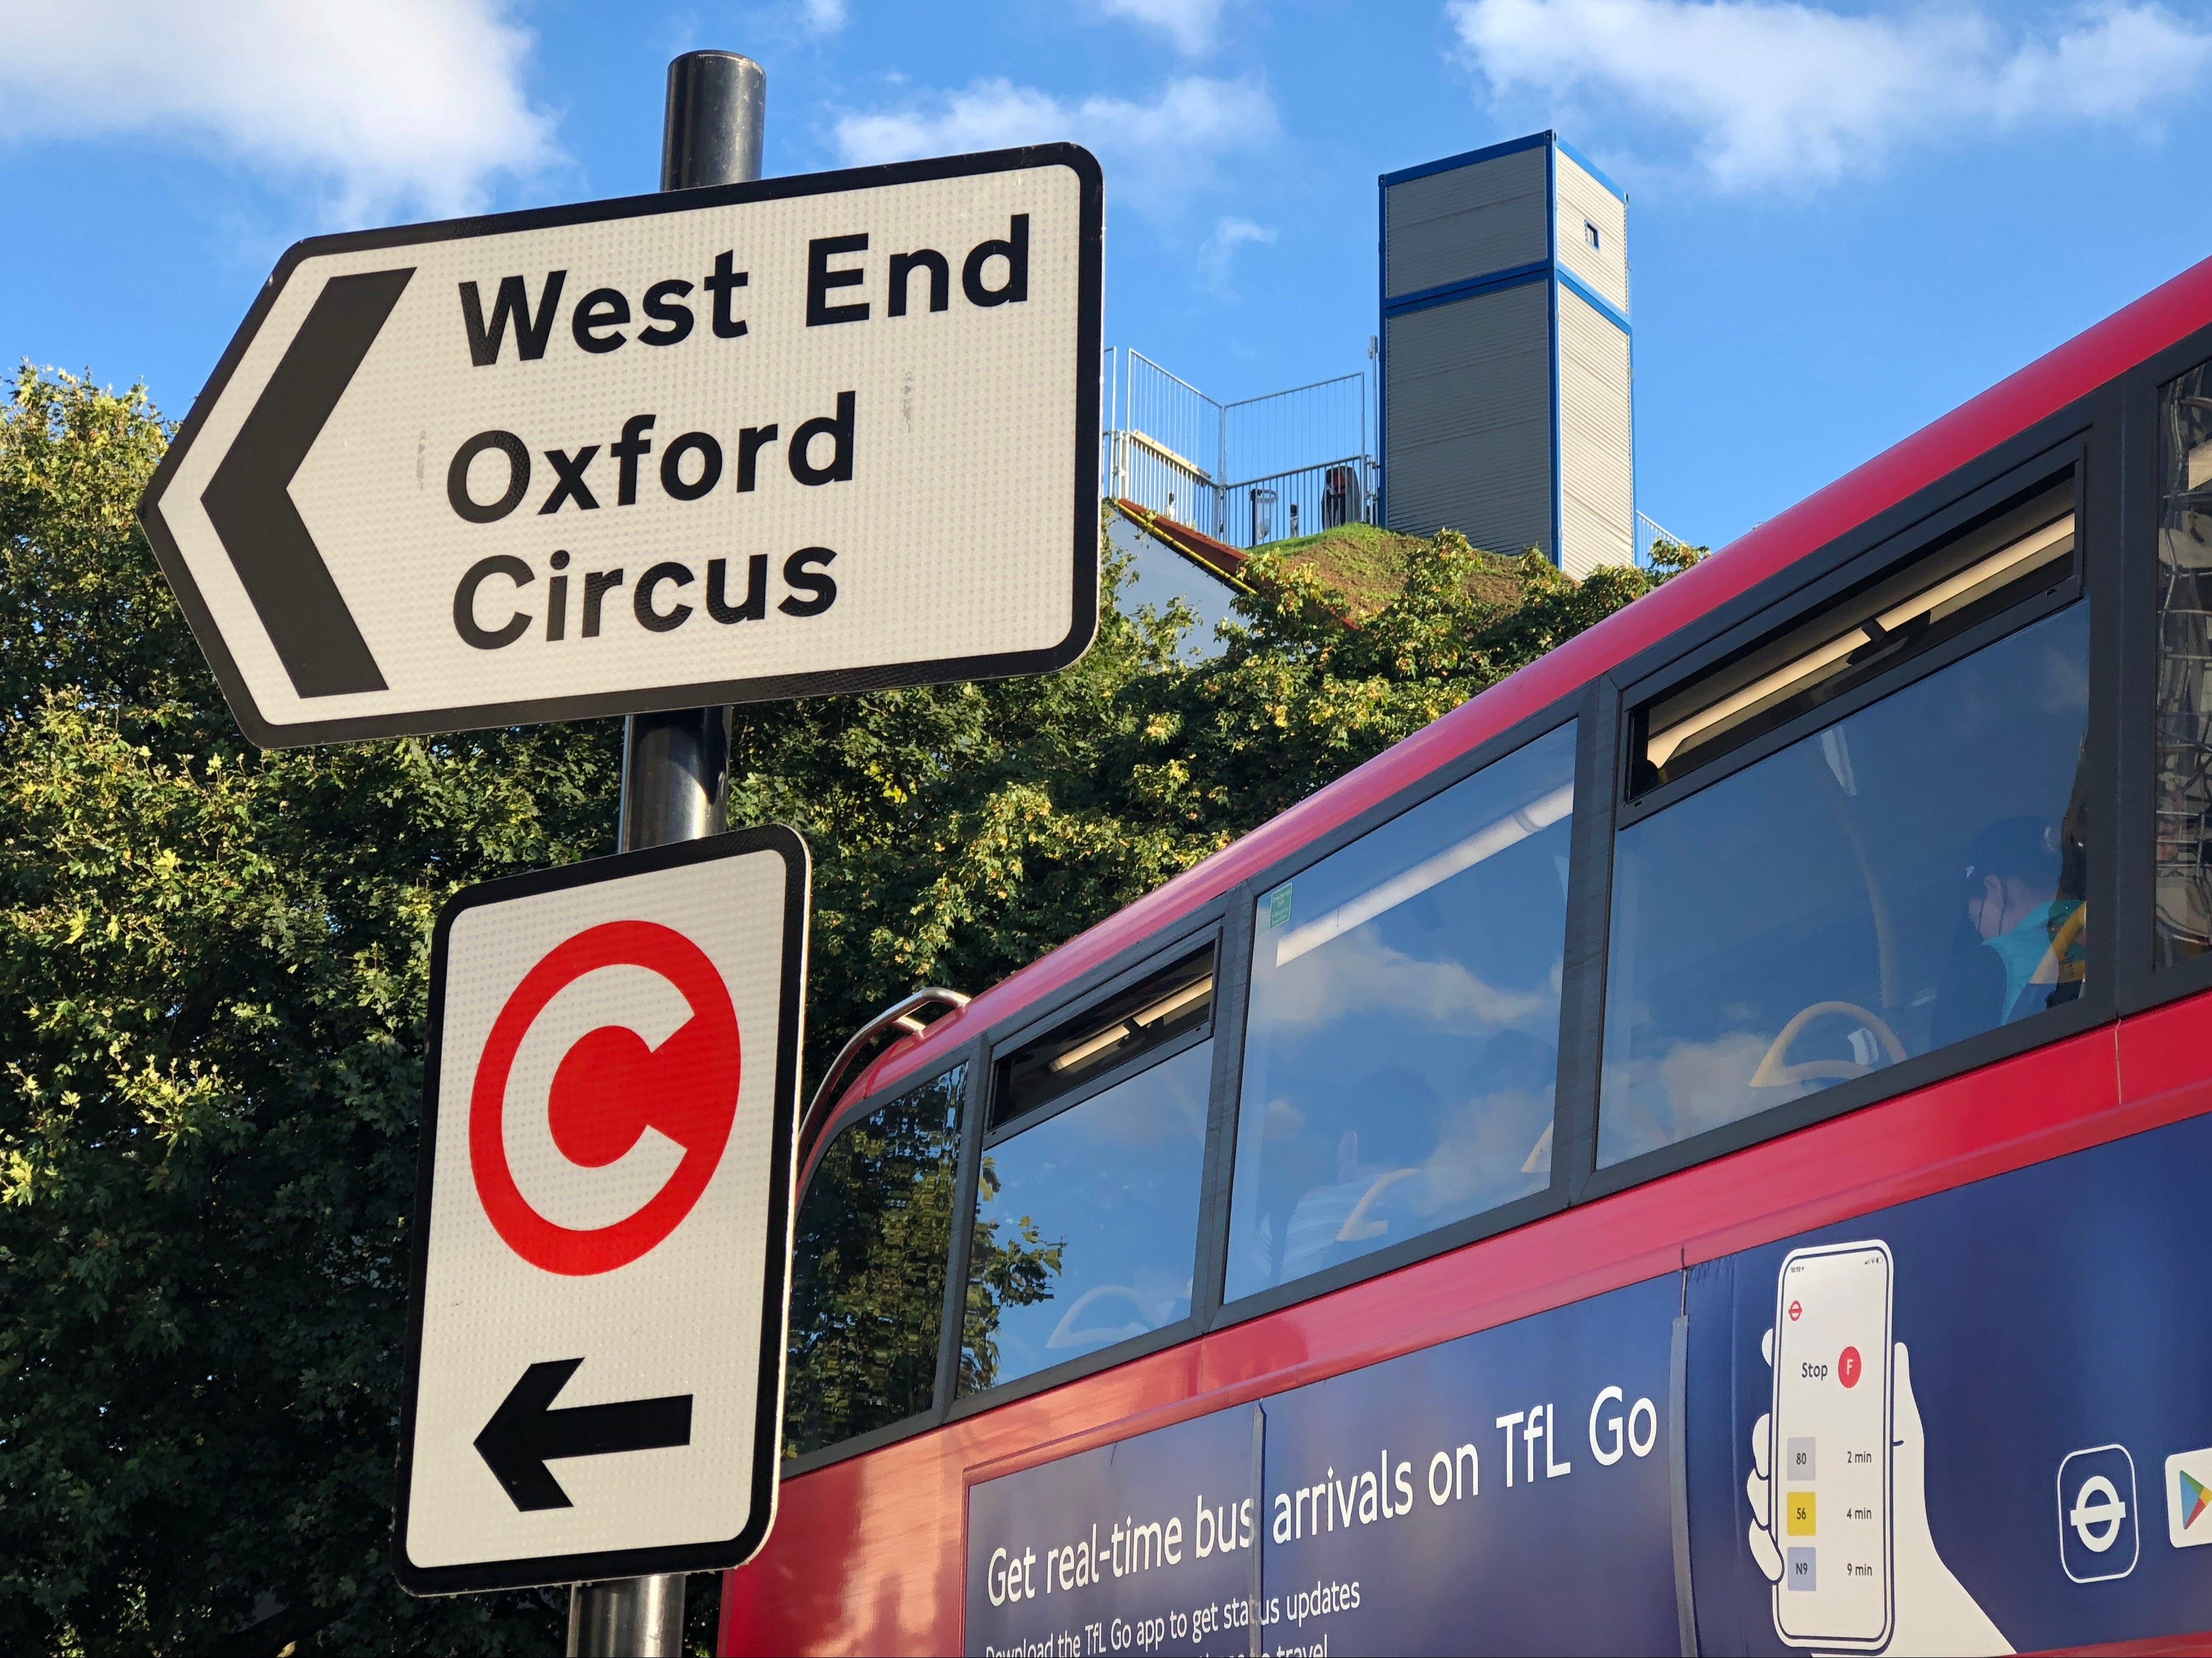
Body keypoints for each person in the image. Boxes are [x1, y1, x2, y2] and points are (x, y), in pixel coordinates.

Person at [1932, 817, 2084, 1048]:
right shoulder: (2116, 924)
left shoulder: (1984, 965)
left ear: (1993, 888)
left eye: (1977, 921)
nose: (1982, 935)